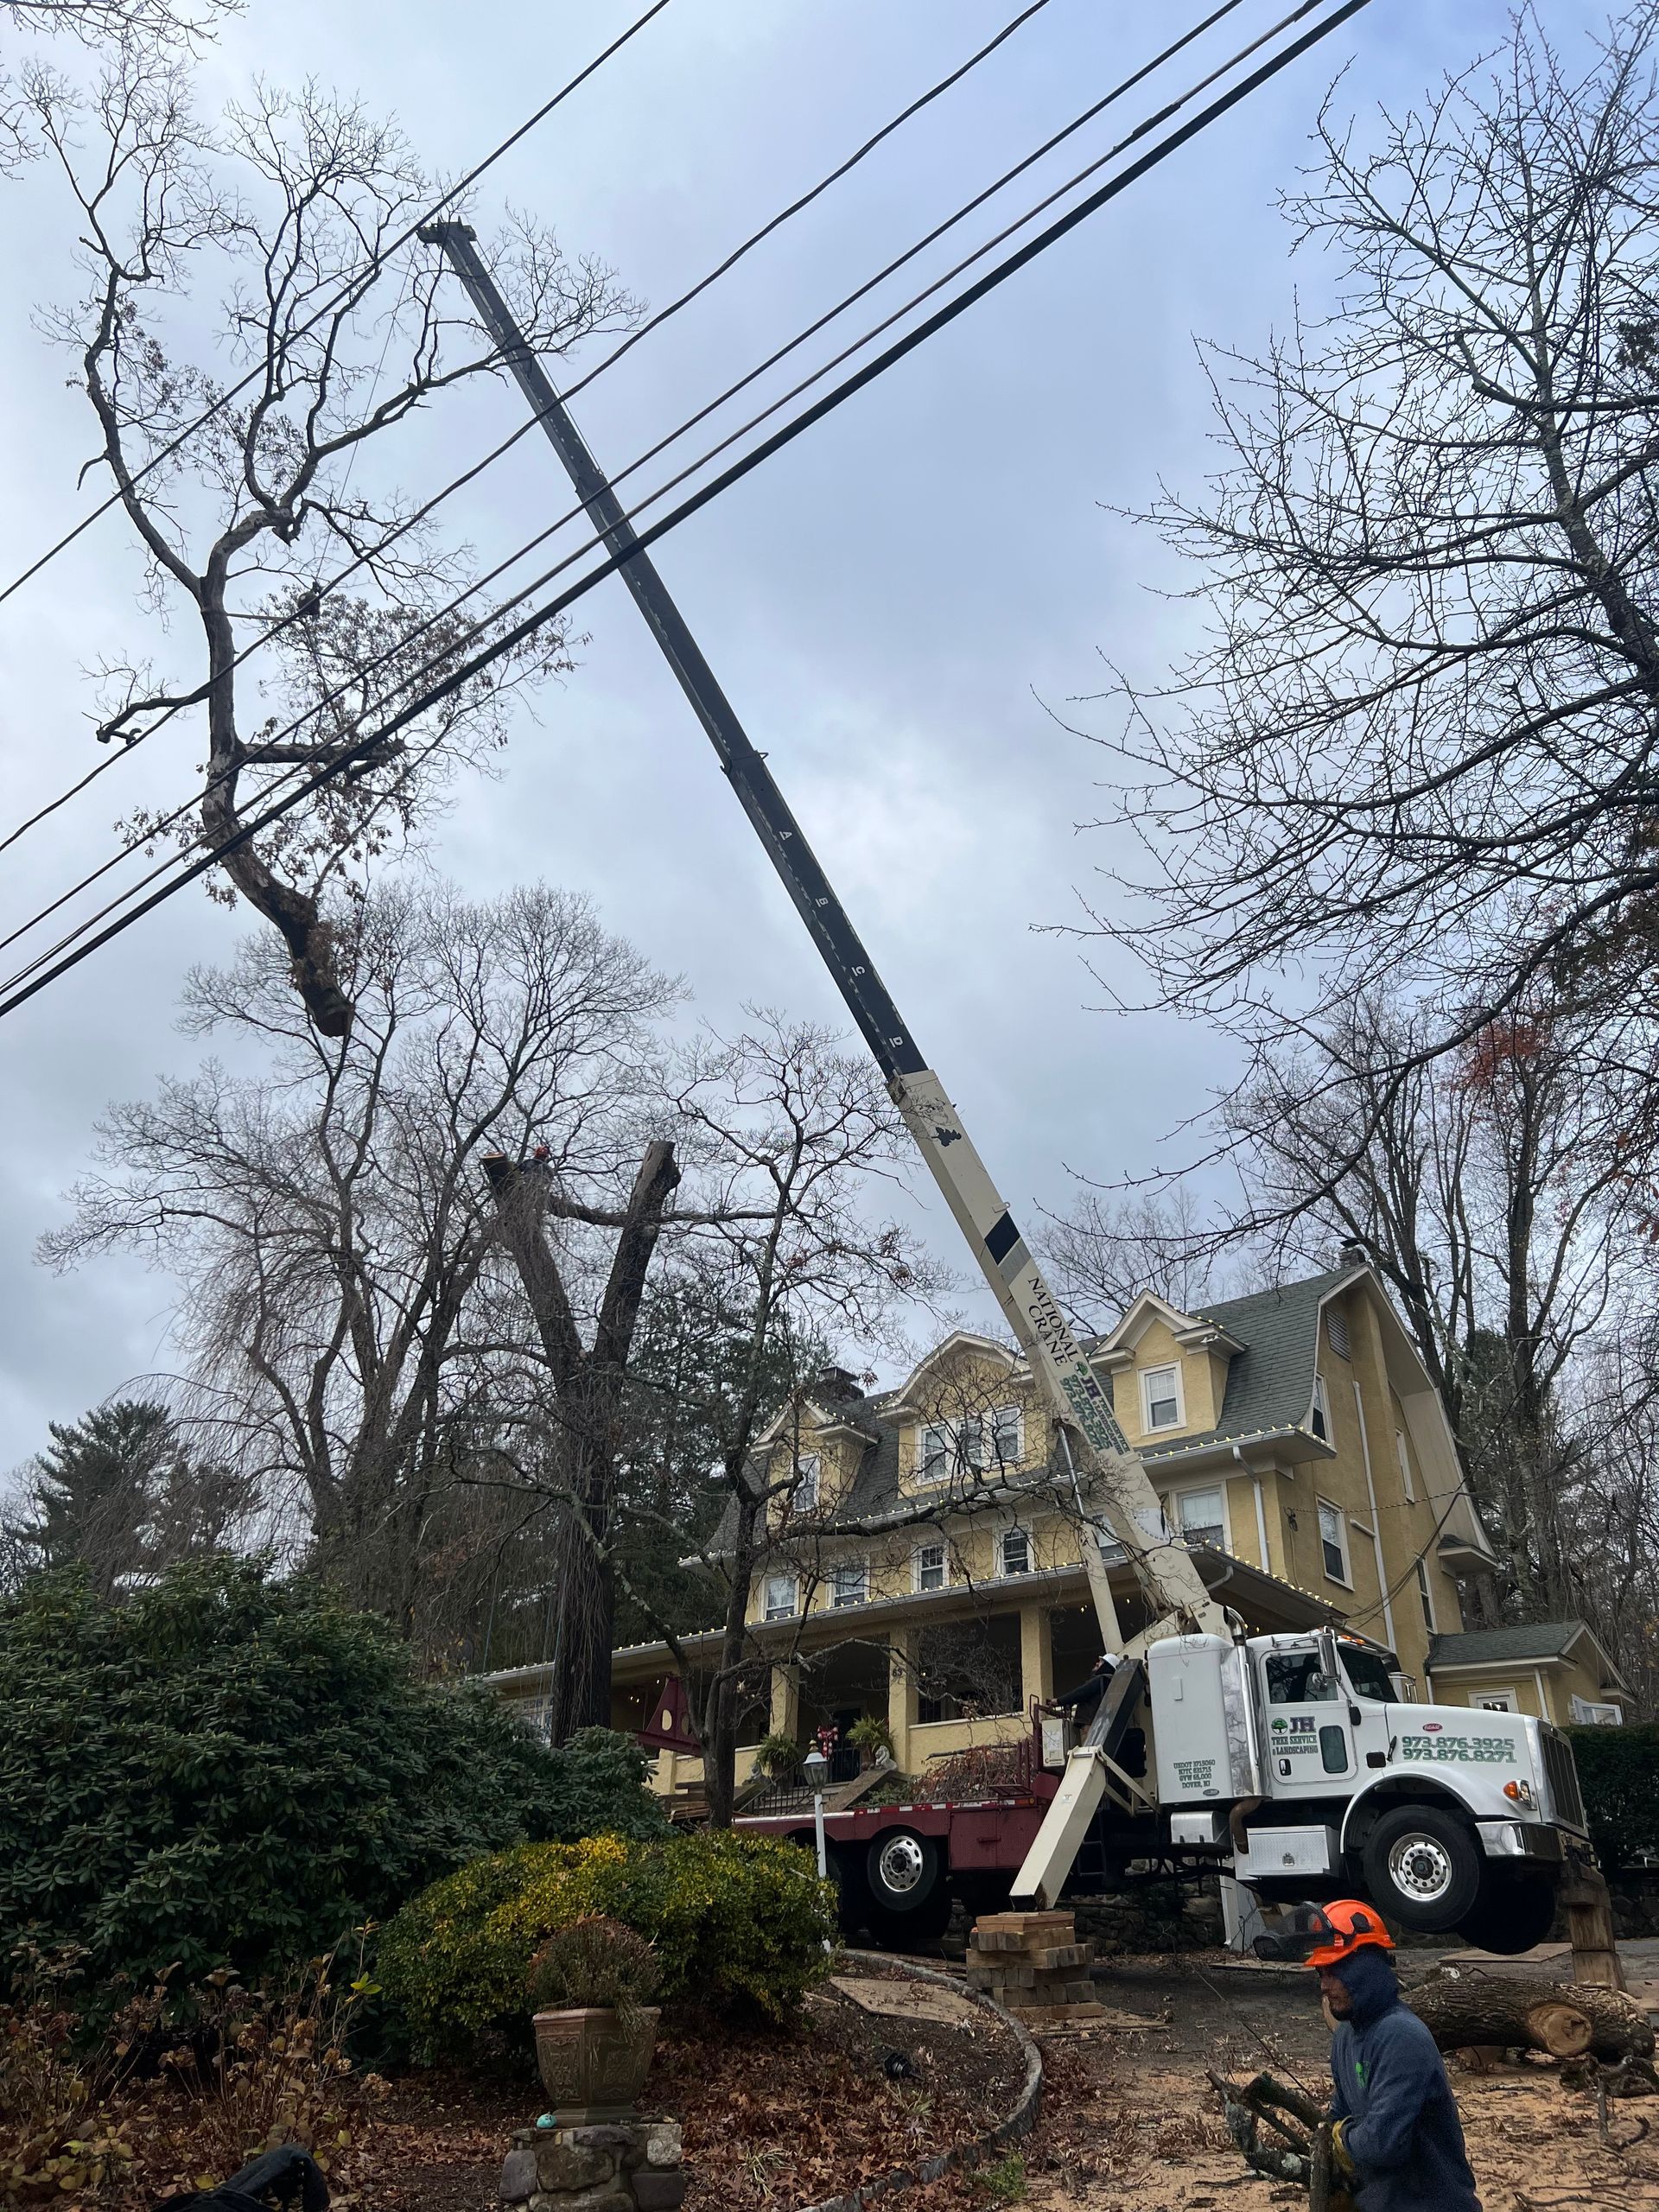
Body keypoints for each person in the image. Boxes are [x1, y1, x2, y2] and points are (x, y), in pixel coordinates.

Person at [1302, 1899, 1482, 2212]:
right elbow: (1340, 2115)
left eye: (1333, 1972)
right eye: (1321, 1973)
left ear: (1364, 1967)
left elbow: (1383, 2144)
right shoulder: (1346, 2036)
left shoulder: (1401, 2037)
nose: (1325, 1986)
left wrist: (1342, 2140)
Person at [1052, 1650, 1122, 1721]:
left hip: (1091, 1721)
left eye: (1101, 1662)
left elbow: (1081, 1692)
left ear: (1106, 1666)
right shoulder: (1110, 1682)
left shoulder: (1101, 1679)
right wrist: (1069, 1702)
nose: (1097, 1663)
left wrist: (1059, 1701)